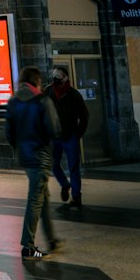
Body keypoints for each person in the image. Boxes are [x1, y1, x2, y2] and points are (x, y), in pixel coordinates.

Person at [5, 66, 63, 260]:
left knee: (41, 196)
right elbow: (54, 129)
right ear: (36, 82)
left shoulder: (13, 102)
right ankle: (28, 246)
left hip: (25, 156)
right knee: (35, 200)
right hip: (41, 157)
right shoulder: (42, 101)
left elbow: (9, 134)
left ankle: (52, 239)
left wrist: (22, 145)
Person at [46, 65, 89, 209]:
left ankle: (76, 196)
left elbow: (84, 117)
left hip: (70, 136)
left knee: (73, 167)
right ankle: (65, 184)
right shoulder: (48, 91)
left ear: (65, 78)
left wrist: (77, 135)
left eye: (58, 76)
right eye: (54, 75)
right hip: (54, 136)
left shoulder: (74, 95)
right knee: (53, 164)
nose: (55, 79)